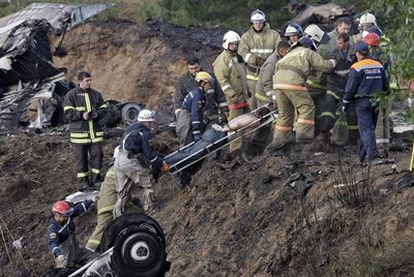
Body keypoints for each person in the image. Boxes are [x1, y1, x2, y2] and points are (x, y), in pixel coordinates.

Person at [270, 37, 336, 148]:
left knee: (285, 114)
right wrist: (333, 62)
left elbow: (277, 69)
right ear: (309, 46)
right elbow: (323, 66)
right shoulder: (307, 51)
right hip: (293, 79)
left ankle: (279, 142)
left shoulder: (288, 54)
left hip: (277, 82)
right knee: (306, 107)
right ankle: (303, 140)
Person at [113, 109, 168, 216]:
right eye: (151, 122)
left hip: (118, 158)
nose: (152, 124)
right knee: (148, 181)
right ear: (147, 122)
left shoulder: (132, 127)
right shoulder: (144, 133)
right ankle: (150, 209)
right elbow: (149, 154)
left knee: (122, 191)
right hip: (128, 161)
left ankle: (118, 216)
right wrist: (161, 163)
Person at [343, 42, 389, 165]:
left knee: (366, 128)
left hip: (362, 102)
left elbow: (350, 87)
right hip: (377, 100)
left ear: (358, 54)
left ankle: (372, 156)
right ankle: (361, 157)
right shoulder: (378, 65)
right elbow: (386, 85)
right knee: (369, 128)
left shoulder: (357, 67)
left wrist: (345, 101)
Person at [63, 71, 107, 191]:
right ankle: (84, 182)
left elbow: (104, 109)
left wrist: (97, 114)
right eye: (87, 81)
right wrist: (81, 115)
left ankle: (96, 179)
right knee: (81, 159)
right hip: (79, 136)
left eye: (90, 80)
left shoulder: (97, 95)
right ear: (80, 81)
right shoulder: (71, 95)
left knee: (97, 156)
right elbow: (67, 113)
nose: (90, 83)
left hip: (95, 135)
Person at [213, 30, 250, 154]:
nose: (234, 46)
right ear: (226, 44)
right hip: (233, 98)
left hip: (243, 97)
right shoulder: (222, 60)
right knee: (234, 124)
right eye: (232, 44)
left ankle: (244, 146)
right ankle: (235, 150)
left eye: (236, 44)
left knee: (244, 122)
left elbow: (243, 75)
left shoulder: (237, 57)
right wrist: (232, 94)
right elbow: (222, 80)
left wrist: (247, 90)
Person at [319, 33, 357, 146]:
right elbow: (327, 68)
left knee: (348, 112)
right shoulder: (333, 53)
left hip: (347, 87)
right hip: (333, 86)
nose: (338, 45)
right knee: (328, 108)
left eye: (340, 43)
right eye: (337, 43)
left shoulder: (354, 54)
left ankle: (350, 139)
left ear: (346, 43)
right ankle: (323, 134)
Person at [238, 9, 281, 109]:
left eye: (260, 22)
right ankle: (255, 123)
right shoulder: (246, 36)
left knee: (268, 100)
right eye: (255, 22)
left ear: (264, 22)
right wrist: (255, 60)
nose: (258, 25)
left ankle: (269, 122)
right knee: (252, 104)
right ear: (252, 23)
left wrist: (269, 63)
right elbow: (242, 53)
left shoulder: (274, 35)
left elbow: (279, 51)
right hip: (252, 76)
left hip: (269, 75)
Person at [174, 57, 228, 129]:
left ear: (200, 65)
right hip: (194, 117)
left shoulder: (209, 76)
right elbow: (179, 100)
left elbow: (219, 95)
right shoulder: (183, 81)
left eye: (196, 68)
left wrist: (225, 110)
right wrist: (180, 117)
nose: (194, 71)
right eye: (191, 69)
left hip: (211, 114)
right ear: (188, 68)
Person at [47, 199, 94, 268]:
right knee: (65, 272)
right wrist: (58, 254)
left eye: (68, 214)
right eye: (65, 215)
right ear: (57, 215)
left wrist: (91, 201)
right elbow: (53, 243)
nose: (67, 217)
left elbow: (78, 208)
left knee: (96, 259)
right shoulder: (52, 228)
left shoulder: (67, 216)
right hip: (65, 257)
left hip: (77, 251)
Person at [176, 71, 213, 147]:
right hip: (186, 121)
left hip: (188, 120)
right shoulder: (197, 95)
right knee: (187, 146)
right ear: (203, 83)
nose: (209, 87)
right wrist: (196, 131)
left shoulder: (200, 94)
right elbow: (195, 113)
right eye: (208, 84)